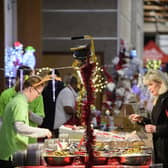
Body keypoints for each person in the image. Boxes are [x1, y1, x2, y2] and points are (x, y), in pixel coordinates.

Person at [0, 75, 52, 168]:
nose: (38, 96)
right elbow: (20, 127)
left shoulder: (18, 100)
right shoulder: (20, 103)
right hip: (11, 153)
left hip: (10, 151)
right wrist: (44, 131)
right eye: (38, 92)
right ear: (31, 89)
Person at [129, 69, 168, 167]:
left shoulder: (166, 99)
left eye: (151, 84)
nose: (149, 89)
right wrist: (142, 120)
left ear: (160, 83)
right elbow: (157, 121)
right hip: (160, 149)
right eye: (147, 86)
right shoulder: (159, 99)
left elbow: (159, 126)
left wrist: (156, 129)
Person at [0, 65, 45, 143]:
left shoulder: (38, 96)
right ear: (18, 78)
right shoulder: (6, 95)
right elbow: (2, 120)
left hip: (30, 142)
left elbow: (40, 121)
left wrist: (28, 113)